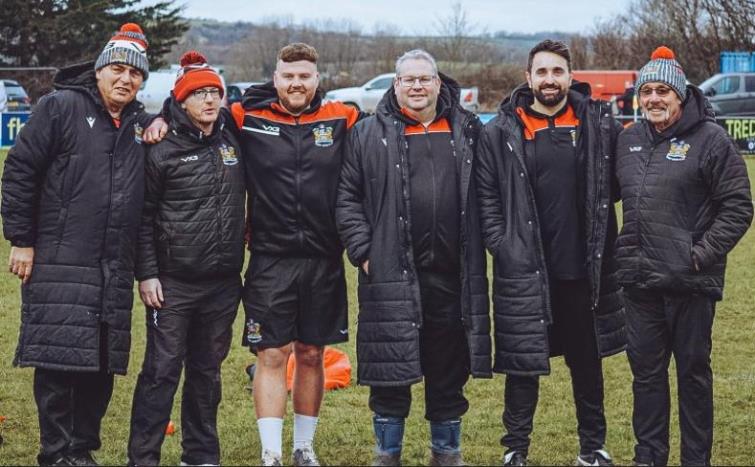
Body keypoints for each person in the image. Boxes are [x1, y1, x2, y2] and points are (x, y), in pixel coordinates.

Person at [1, 23, 161, 467]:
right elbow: (19, 173)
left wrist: (162, 120)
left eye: (135, 73)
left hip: (112, 265)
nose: (125, 79)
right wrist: (22, 241)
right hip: (59, 259)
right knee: (59, 361)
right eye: (117, 68)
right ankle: (55, 453)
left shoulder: (138, 125)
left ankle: (80, 450)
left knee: (102, 363)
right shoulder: (59, 108)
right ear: (98, 70)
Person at [336, 49, 491, 467]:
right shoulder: (368, 133)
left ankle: (446, 453)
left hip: (452, 275)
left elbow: (490, 191)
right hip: (389, 272)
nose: (418, 86)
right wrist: (365, 253)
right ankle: (387, 454)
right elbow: (347, 198)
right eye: (409, 80)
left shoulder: (469, 129)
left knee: (448, 368)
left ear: (439, 84)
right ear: (396, 85)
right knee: (390, 369)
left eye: (425, 79)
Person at [475, 40, 626, 466]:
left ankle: (592, 447)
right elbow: (486, 195)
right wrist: (501, 245)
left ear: (569, 76)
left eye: (557, 71)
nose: (549, 80)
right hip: (524, 269)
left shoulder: (597, 124)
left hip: (582, 271)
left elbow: (618, 181)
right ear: (528, 78)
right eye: (541, 72)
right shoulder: (501, 130)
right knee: (523, 366)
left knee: (586, 364)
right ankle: (514, 449)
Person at [615, 46, 753, 466]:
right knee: (647, 378)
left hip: (690, 283)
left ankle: (696, 459)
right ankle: (649, 457)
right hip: (639, 284)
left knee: (693, 376)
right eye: (647, 91)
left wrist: (699, 254)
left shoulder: (711, 139)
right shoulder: (628, 139)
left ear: (680, 94)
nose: (654, 99)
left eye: (663, 91)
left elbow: (739, 206)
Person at [230, 42, 360, 467]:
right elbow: (197, 111)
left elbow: (393, 123)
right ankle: (271, 454)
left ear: (317, 79)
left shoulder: (343, 118)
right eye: (288, 76)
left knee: (310, 353)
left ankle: (304, 448)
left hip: (324, 259)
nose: (296, 83)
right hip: (270, 258)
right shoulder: (248, 118)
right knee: (271, 354)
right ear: (275, 80)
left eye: (304, 76)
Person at [125, 51, 245, 466]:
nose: (210, 101)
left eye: (216, 93)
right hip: (172, 284)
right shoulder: (159, 147)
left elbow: (269, 95)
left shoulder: (232, 136)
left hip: (224, 284)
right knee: (161, 372)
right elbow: (142, 218)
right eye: (201, 94)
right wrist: (148, 274)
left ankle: (201, 456)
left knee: (207, 373)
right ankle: (143, 457)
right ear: (181, 102)